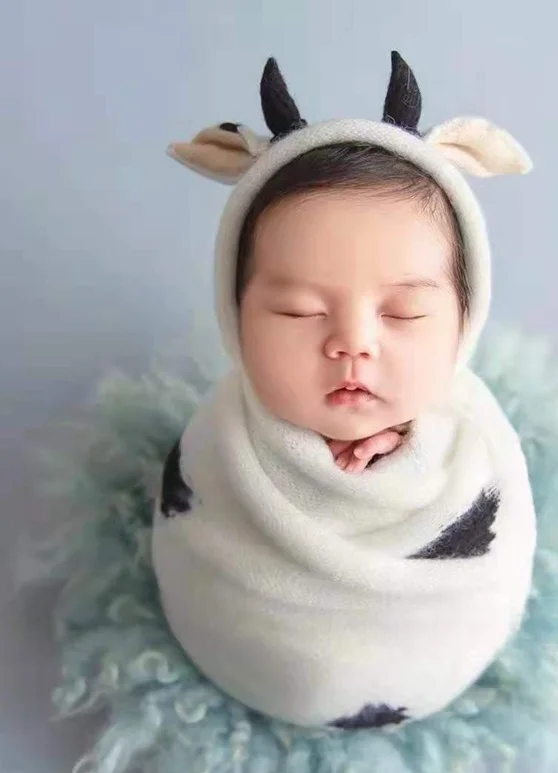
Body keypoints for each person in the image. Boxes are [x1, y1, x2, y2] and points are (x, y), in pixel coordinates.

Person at [153, 52, 537, 730]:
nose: (353, 344)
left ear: (463, 320)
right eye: (299, 311)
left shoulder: (476, 454)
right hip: (247, 651)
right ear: (234, 314)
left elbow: (495, 564)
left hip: (438, 646)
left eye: (404, 313)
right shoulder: (214, 451)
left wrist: (408, 453)